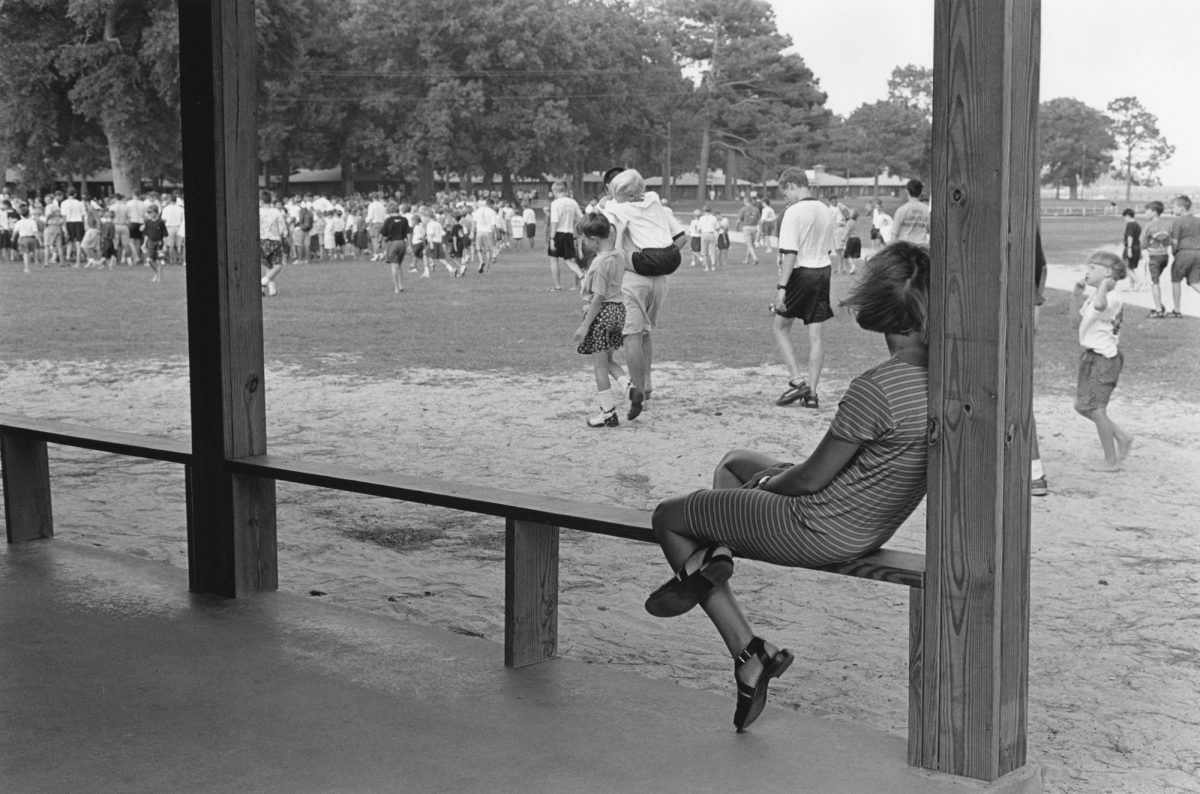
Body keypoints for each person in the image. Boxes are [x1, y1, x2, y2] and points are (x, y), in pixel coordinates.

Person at [645, 241, 931, 732]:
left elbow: (810, 479)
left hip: (818, 525)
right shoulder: (947, 380)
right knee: (734, 463)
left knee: (670, 516)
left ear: (877, 310)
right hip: (865, 519)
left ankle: (746, 650)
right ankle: (713, 558)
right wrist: (765, 478)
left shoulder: (878, 387)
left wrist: (771, 483)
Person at [601, 168, 688, 421]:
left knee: (631, 337)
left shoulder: (613, 209)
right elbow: (681, 238)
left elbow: (612, 246)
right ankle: (647, 384)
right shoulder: (656, 203)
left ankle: (636, 388)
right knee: (646, 333)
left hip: (634, 279)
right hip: (660, 279)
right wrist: (661, 260)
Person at [771, 166, 837, 409]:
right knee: (816, 335)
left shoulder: (793, 212)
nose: (784, 198)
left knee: (780, 326)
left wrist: (781, 288)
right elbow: (829, 247)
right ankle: (812, 393)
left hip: (802, 271)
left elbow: (790, 253)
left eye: (784, 192)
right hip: (823, 270)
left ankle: (798, 381)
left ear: (791, 185)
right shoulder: (825, 209)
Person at [1071, 250, 1134, 470]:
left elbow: (1100, 306)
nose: (1087, 271)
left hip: (1104, 359)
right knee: (1082, 406)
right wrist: (1076, 295)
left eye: (1092, 268)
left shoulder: (1111, 297)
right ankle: (1121, 436)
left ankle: (1111, 461)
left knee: (1097, 409)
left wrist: (1106, 285)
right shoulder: (1095, 295)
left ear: (1108, 273)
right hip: (1090, 356)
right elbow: (1074, 323)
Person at [573, 213, 630, 428]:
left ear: (594, 240)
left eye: (585, 239)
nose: (583, 243)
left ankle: (608, 412)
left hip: (601, 315)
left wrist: (584, 325)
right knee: (607, 361)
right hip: (618, 312)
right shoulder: (618, 255)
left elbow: (597, 297)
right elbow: (613, 236)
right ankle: (629, 387)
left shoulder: (599, 264)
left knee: (599, 367)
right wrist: (618, 226)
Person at [547, 181, 584, 291]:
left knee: (554, 259)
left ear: (555, 191)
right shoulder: (573, 202)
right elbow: (581, 218)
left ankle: (557, 286)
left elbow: (554, 221)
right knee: (570, 259)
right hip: (569, 233)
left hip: (558, 233)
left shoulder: (555, 203)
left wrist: (552, 239)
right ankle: (579, 279)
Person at [1168, 194, 1200, 316]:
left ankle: (1176, 310)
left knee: (1176, 280)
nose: (1173, 209)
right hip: (1198, 252)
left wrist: (1174, 252)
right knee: (1194, 282)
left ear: (1181, 208)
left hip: (1184, 252)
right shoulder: (1198, 220)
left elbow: (1175, 241)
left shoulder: (1178, 221)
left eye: (1174, 207)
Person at [1141, 201, 1173, 318]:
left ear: (1154, 212)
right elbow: (1170, 241)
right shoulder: (1167, 225)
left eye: (1147, 211)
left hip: (1154, 257)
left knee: (1154, 282)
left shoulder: (1148, 226)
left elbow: (1142, 243)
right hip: (1165, 256)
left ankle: (1158, 309)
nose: (1145, 213)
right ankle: (1159, 304)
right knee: (1156, 280)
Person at [259, 190, 288, 296]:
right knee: (278, 265)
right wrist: (284, 236)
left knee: (268, 265)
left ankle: (271, 290)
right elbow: (283, 229)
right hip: (274, 240)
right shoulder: (276, 212)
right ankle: (263, 282)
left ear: (261, 201)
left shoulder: (257, 212)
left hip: (261, 240)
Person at [380, 201, 410, 293]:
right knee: (400, 265)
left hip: (393, 243)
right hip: (402, 243)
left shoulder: (388, 220)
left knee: (394, 266)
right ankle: (401, 286)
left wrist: (379, 242)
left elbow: (383, 233)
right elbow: (408, 233)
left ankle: (396, 288)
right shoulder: (404, 219)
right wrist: (409, 245)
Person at [890, 179, 930, 245]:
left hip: (905, 248)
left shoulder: (901, 210)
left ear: (907, 191)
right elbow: (930, 230)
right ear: (921, 192)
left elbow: (894, 233)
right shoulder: (926, 210)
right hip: (921, 249)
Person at [1119, 208, 1142, 289]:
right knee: (1131, 267)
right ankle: (1131, 286)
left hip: (1131, 247)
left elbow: (1130, 237)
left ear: (1128, 216)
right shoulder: (1137, 225)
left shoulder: (1130, 225)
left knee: (1126, 267)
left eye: (1124, 217)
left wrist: (1129, 249)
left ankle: (1138, 282)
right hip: (1137, 247)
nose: (1124, 219)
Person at [737, 196, 761, 265]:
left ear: (746, 201)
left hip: (746, 227)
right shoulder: (756, 209)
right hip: (754, 227)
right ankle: (746, 259)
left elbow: (739, 220)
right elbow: (759, 220)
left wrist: (737, 227)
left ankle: (755, 258)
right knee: (750, 245)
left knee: (749, 245)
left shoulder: (743, 209)